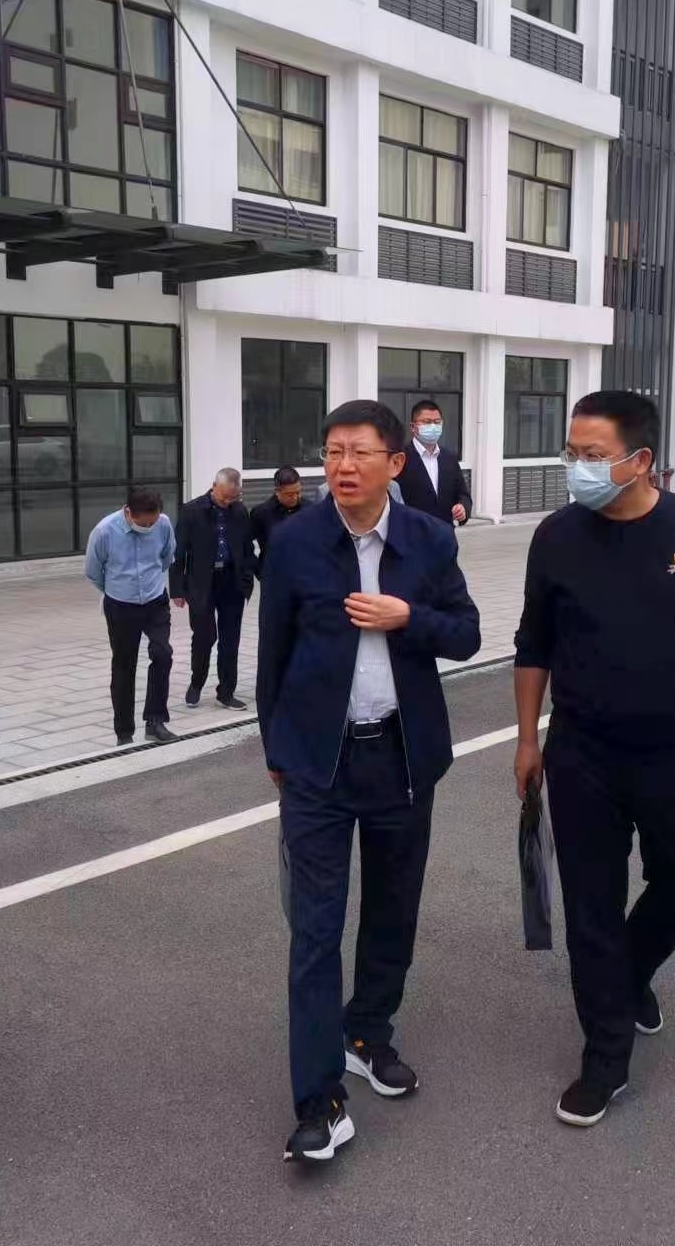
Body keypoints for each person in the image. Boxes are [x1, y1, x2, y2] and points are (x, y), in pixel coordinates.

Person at [512, 391, 675, 1129]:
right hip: (581, 755)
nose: (578, 467)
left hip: (672, 752)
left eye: (593, 455)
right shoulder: (556, 536)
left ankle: (629, 973)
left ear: (641, 460)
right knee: (590, 907)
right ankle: (605, 1058)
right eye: (572, 453)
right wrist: (528, 738)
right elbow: (533, 642)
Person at [258, 399, 481, 1164]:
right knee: (315, 932)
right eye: (332, 452)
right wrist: (277, 749)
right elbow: (273, 654)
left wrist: (407, 616)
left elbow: (467, 634)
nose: (343, 466)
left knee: (392, 912)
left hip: (401, 757)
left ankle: (367, 1032)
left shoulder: (429, 538)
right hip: (318, 766)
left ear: (395, 463)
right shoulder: (293, 542)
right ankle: (318, 1101)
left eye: (359, 452)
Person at [85, 487, 178, 746]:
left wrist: (150, 582)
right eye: (143, 524)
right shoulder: (104, 531)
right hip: (121, 605)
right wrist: (118, 589)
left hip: (155, 600)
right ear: (128, 512)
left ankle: (155, 721)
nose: (148, 528)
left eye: (152, 523)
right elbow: (93, 571)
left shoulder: (163, 524)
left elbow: (166, 556)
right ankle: (124, 732)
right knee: (124, 665)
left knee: (163, 654)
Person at [172, 468, 255, 712]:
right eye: (224, 496)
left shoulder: (240, 511)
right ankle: (196, 683)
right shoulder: (191, 511)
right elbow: (178, 552)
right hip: (201, 583)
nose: (228, 501)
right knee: (204, 636)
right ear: (213, 486)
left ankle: (226, 691)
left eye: (233, 497)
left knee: (230, 639)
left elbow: (247, 547)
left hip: (231, 581)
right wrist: (177, 589)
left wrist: (247, 577)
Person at [396, 400, 472, 527]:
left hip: (445, 533)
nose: (433, 426)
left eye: (437, 422)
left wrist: (463, 507)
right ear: (413, 427)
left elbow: (463, 494)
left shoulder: (449, 458)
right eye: (427, 422)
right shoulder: (399, 458)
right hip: (413, 533)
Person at [250, 466, 307, 578]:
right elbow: (245, 546)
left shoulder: (310, 509)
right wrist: (259, 569)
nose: (295, 497)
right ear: (277, 491)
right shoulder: (261, 513)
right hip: (272, 577)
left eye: (298, 492)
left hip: (305, 577)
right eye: (290, 494)